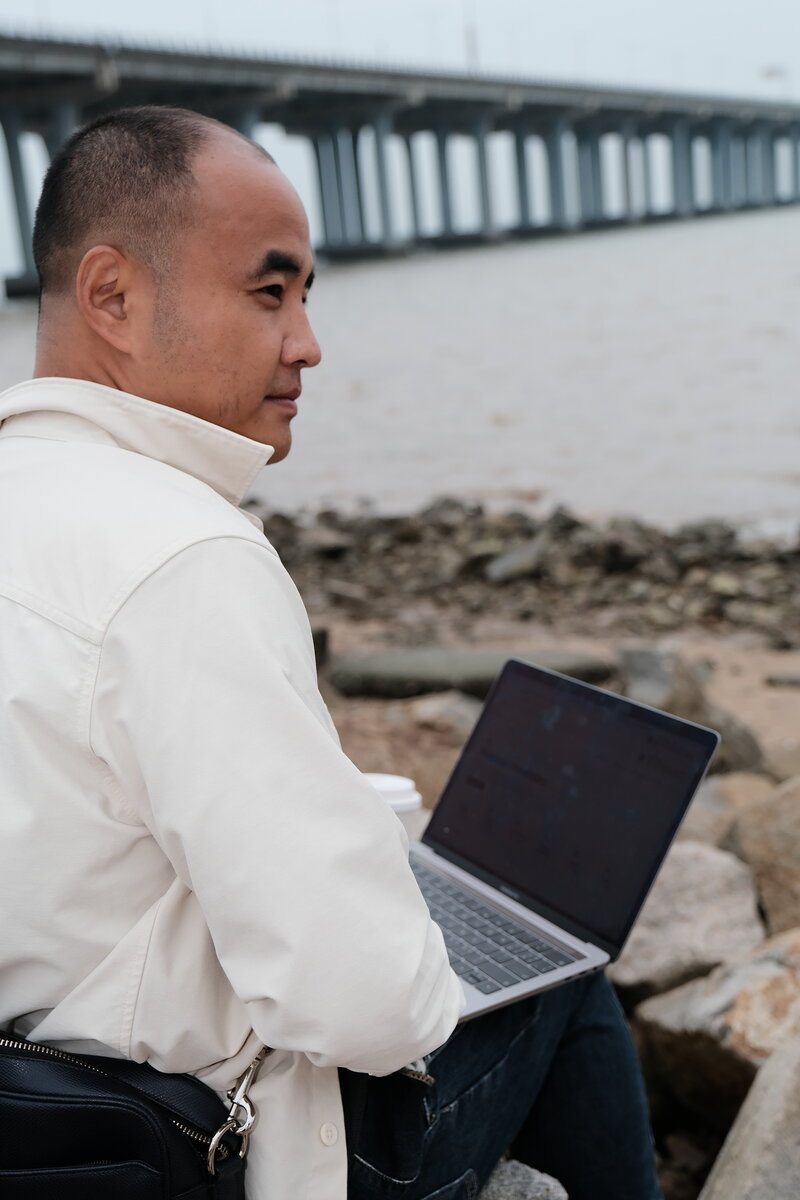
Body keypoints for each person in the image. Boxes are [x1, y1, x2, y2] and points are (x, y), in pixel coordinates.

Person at [0, 106, 662, 1200]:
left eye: (306, 296)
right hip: (184, 1150)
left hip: (33, 1119)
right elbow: (364, 1006)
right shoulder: (183, 555)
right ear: (111, 296)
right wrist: (394, 905)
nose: (306, 342)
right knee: (563, 986)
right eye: (269, 293)